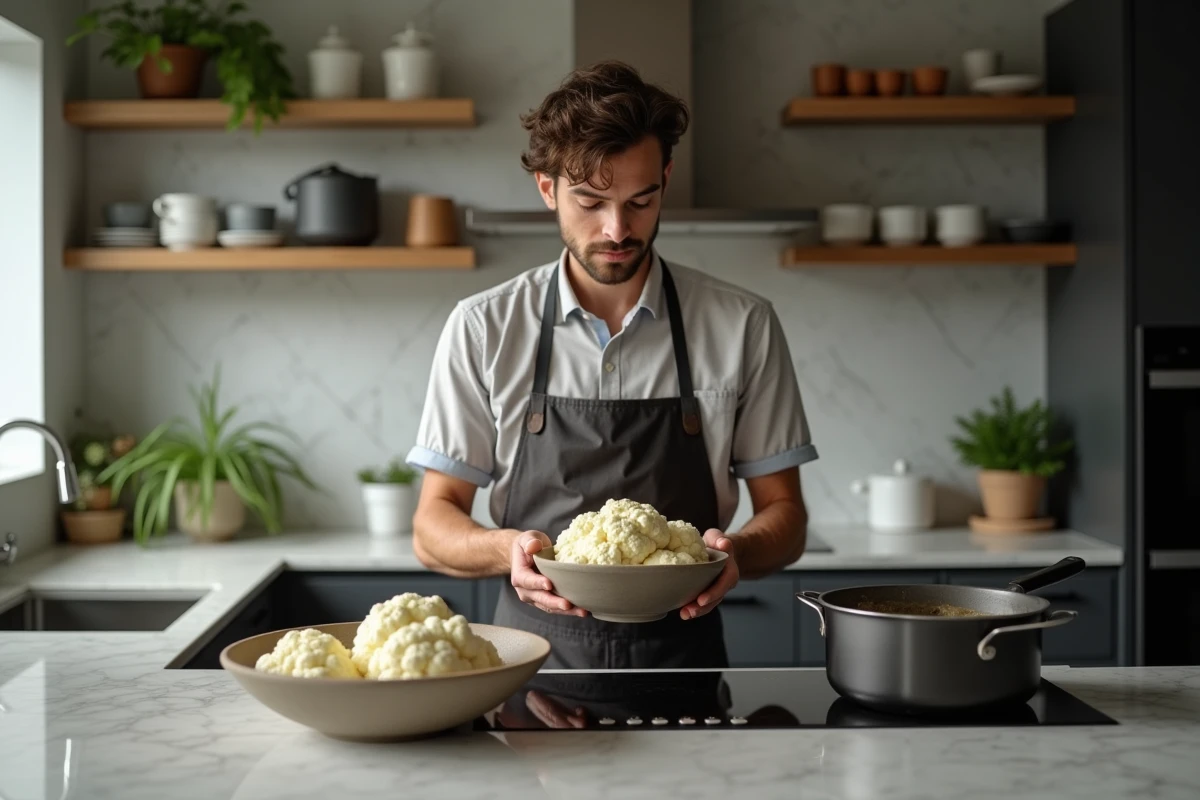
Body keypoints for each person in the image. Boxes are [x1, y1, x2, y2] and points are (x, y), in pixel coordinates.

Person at [406, 60, 817, 670]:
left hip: (688, 661)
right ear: (547, 188)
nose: (618, 229)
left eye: (640, 200)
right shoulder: (484, 326)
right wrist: (508, 548)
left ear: (665, 180)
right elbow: (432, 524)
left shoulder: (742, 324)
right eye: (591, 202)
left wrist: (734, 552)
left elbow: (786, 516)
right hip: (526, 663)